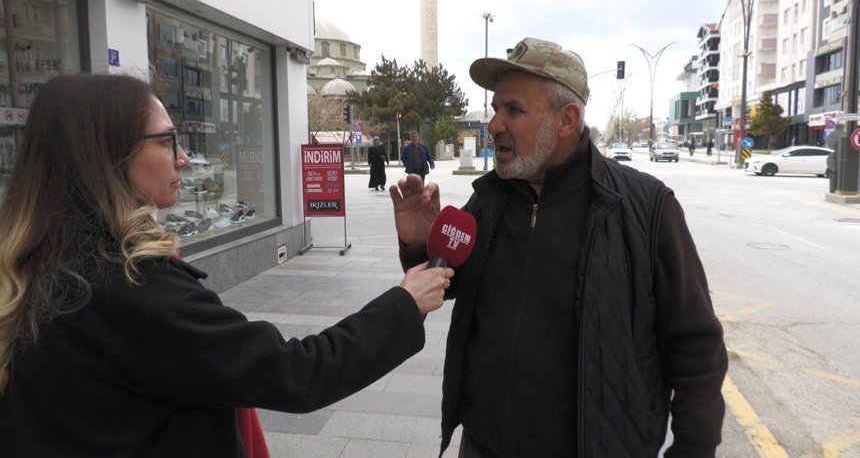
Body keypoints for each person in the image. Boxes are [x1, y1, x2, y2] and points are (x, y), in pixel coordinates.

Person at [0, 74, 454, 456]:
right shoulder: (130, 291)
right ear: (105, 155)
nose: (183, 157)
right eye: (166, 141)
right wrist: (404, 303)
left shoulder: (36, 267)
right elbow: (296, 373)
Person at [389, 37, 728, 457]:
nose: (495, 125)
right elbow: (447, 281)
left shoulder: (646, 209)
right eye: (496, 109)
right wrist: (419, 243)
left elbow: (696, 347)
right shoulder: (490, 200)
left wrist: (693, 450)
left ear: (566, 120)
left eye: (513, 110)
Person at [826, 121, 847, 193]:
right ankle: (835, 189)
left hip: (836, 161)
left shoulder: (832, 134)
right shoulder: (844, 134)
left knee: (834, 177)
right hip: (839, 160)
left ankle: (833, 190)